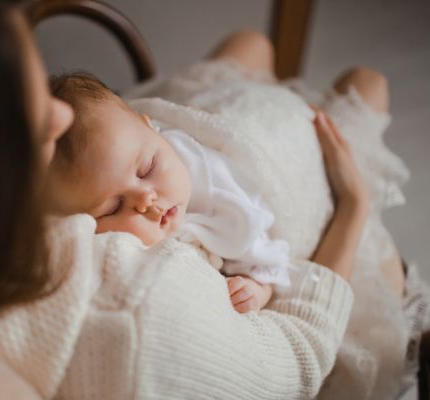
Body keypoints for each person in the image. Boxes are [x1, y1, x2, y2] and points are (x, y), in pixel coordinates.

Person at [0, 0, 430, 398]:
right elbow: (302, 354)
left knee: (249, 46)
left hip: (181, 133)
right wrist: (352, 205)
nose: (59, 118)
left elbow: (118, 137)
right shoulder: (135, 316)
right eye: (34, 122)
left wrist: (147, 144)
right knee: (363, 90)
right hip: (302, 221)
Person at [44, 72, 293, 313]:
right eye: (113, 208)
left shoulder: (222, 192)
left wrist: (260, 289)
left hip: (268, 120)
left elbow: (269, 258)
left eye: (146, 170)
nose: (145, 199)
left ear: (151, 127)